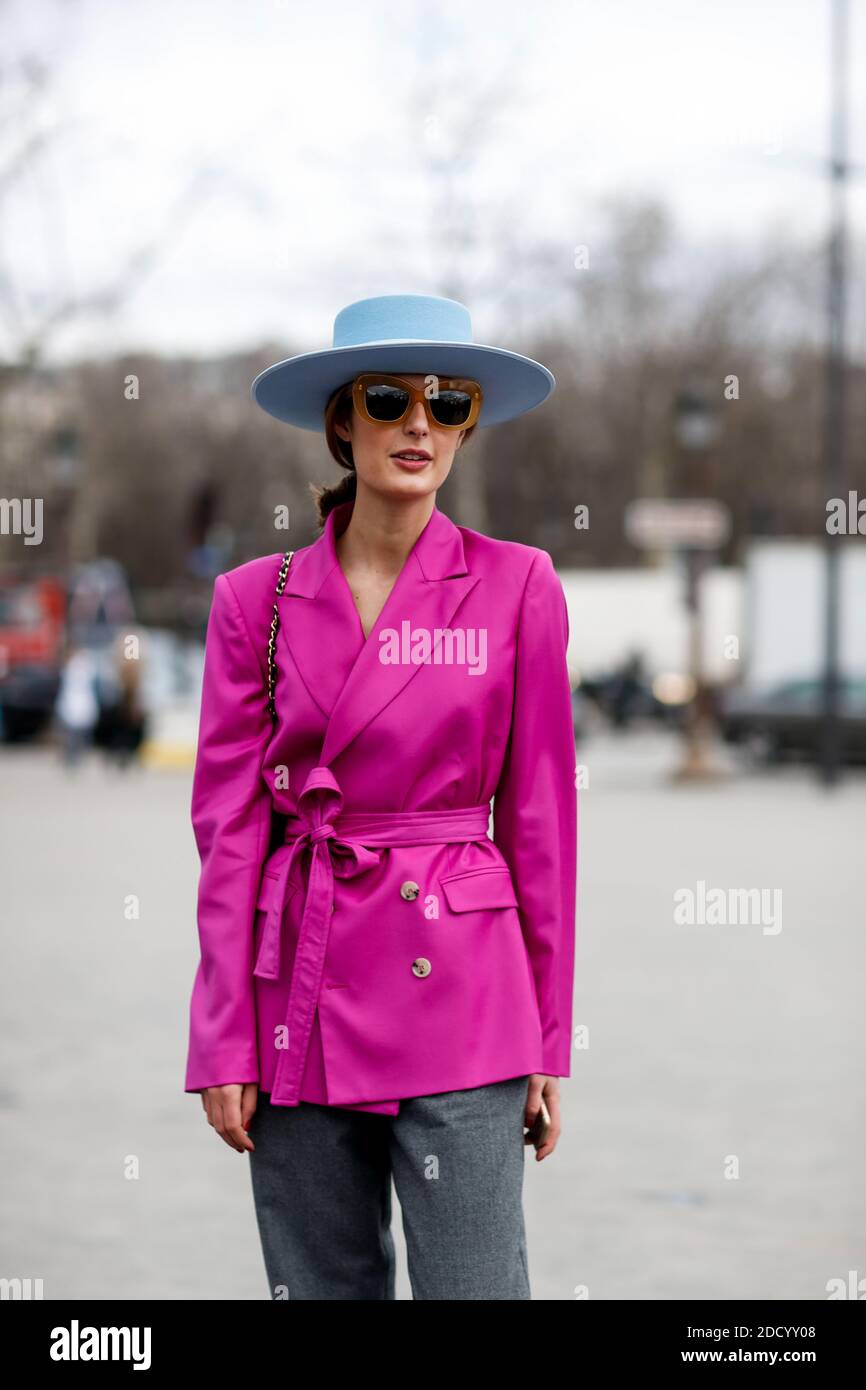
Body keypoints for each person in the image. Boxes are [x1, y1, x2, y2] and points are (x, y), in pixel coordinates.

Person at [183, 294, 578, 1300]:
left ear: (466, 423)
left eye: (448, 403)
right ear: (339, 421)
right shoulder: (252, 601)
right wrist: (222, 1032)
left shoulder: (516, 584)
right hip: (299, 994)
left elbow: (539, 821)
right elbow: (229, 834)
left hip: (468, 996)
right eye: (389, 397)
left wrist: (546, 1032)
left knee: (475, 1288)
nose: (418, 423)